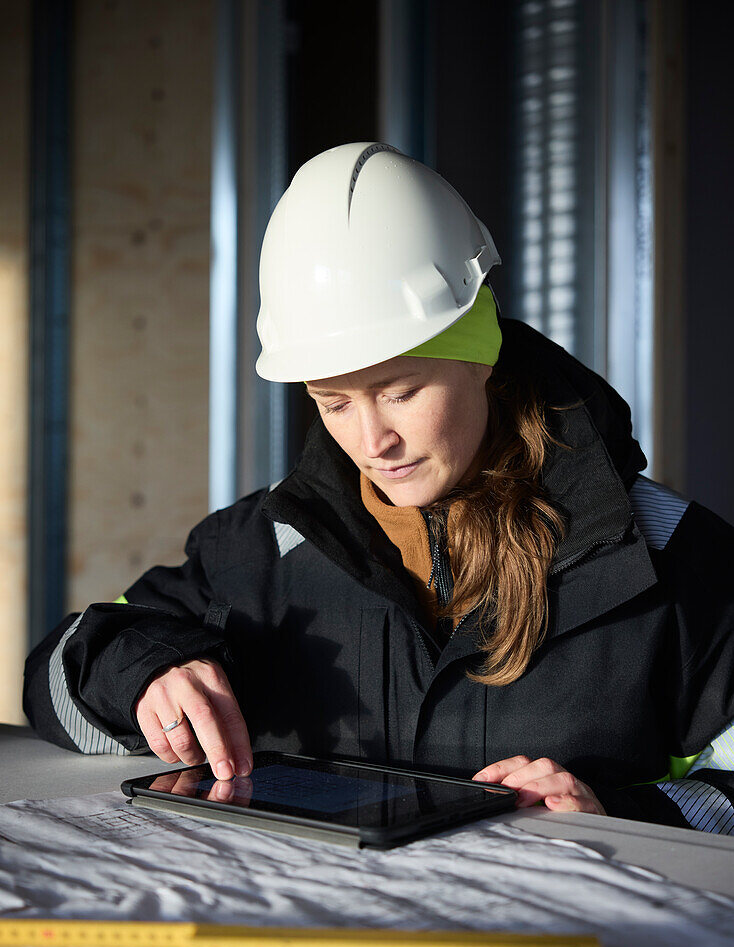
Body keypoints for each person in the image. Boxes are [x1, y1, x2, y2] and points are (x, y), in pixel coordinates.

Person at [23, 142, 734, 832]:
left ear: (482, 356)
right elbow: (55, 676)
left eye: (401, 391)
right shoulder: (262, 548)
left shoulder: (666, 554)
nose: (372, 442)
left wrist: (623, 819)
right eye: (335, 403)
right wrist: (145, 672)